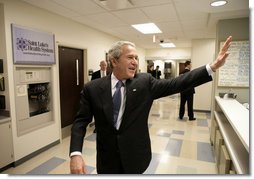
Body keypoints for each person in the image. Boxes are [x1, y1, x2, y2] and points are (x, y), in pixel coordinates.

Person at [69, 36, 232, 174]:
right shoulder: (93, 88)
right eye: (130, 57)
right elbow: (80, 122)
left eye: (136, 58)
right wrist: (76, 153)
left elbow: (176, 83)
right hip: (107, 160)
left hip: (136, 157)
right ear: (114, 61)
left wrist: (212, 67)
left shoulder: (144, 82)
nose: (135, 62)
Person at [90, 60, 108, 133]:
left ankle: (106, 126)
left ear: (107, 66)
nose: (104, 66)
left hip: (107, 95)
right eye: (102, 65)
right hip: (98, 96)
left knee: (106, 112)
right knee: (97, 112)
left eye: (105, 65)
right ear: (100, 65)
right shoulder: (95, 74)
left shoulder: (111, 73)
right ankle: (97, 127)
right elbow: (92, 84)